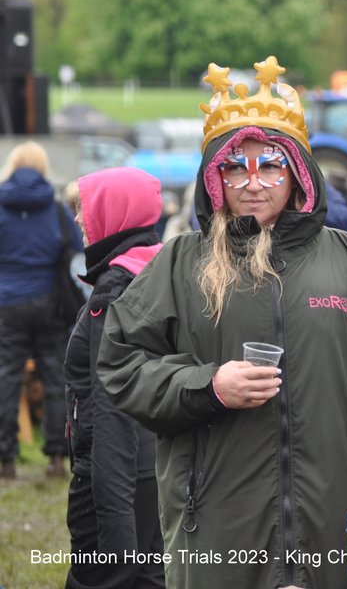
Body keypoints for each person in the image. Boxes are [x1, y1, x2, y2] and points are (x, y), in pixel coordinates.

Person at [97, 57, 347, 588]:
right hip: (219, 529)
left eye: (270, 165)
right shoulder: (182, 262)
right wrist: (207, 386)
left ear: (297, 173)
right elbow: (120, 364)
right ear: (215, 176)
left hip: (335, 523)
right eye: (236, 167)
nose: (253, 183)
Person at [64, 167, 166, 589]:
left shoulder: (114, 290)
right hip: (156, 471)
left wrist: (113, 524)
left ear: (114, 211)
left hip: (114, 478)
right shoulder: (157, 271)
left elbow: (112, 407)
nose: (77, 218)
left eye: (84, 208)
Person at [0, 141, 80, 479]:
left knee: (6, 376)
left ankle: (6, 459)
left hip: (6, 303)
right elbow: (76, 248)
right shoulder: (58, 209)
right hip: (50, 302)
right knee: (54, 378)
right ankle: (57, 457)